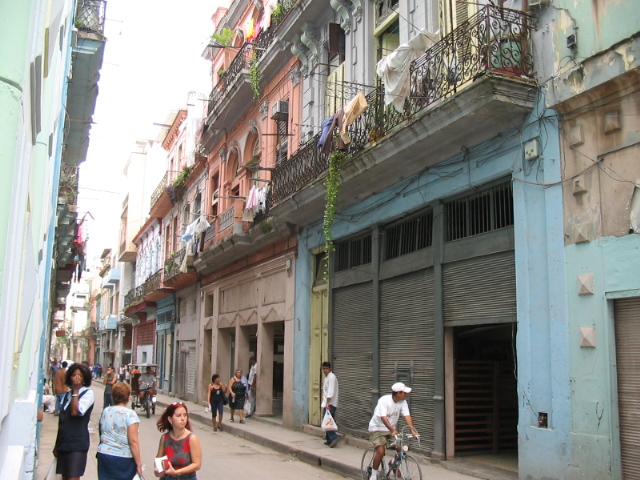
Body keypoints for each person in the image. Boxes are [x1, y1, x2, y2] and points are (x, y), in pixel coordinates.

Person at [367, 382, 419, 480]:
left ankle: (393, 464)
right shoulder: (384, 400)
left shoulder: (403, 402)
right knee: (381, 451)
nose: (406, 394)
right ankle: (373, 476)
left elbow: (407, 416)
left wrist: (412, 430)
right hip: (377, 428)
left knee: (401, 450)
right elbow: (383, 417)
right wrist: (392, 430)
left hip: (391, 429)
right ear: (398, 393)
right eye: (404, 393)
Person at [53, 363, 95, 480]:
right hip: (64, 443)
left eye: (80, 376)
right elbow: (62, 421)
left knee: (73, 476)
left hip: (77, 445)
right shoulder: (67, 395)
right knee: (64, 477)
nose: (76, 378)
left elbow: (75, 412)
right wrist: (57, 445)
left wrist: (76, 391)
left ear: (85, 379)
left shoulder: (87, 394)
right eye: (74, 375)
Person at [97, 382, 143, 480]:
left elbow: (101, 430)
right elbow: (133, 441)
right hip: (123, 458)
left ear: (112, 397)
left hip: (104, 454)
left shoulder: (106, 411)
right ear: (128, 397)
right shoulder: (130, 414)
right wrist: (138, 463)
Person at [154, 402, 202, 479]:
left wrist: (177, 472)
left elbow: (197, 464)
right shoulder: (165, 438)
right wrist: (158, 471)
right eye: (178, 415)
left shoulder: (191, 438)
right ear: (170, 419)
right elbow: (158, 461)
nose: (183, 418)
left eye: (185, 415)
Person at [321, 361, 341, 448]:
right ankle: (329, 439)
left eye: (326, 368)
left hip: (330, 403)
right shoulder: (328, 377)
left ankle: (334, 437)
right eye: (324, 368)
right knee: (328, 420)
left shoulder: (331, 377)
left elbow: (330, 391)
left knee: (327, 421)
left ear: (330, 369)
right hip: (328, 403)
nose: (325, 370)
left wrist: (328, 403)